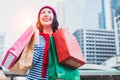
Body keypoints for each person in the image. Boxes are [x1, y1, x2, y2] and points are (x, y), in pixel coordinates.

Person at [26, 5, 59, 80]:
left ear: (54, 17)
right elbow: (32, 62)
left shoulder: (59, 37)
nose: (46, 14)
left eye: (49, 12)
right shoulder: (34, 35)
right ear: (39, 19)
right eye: (43, 12)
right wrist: (36, 36)